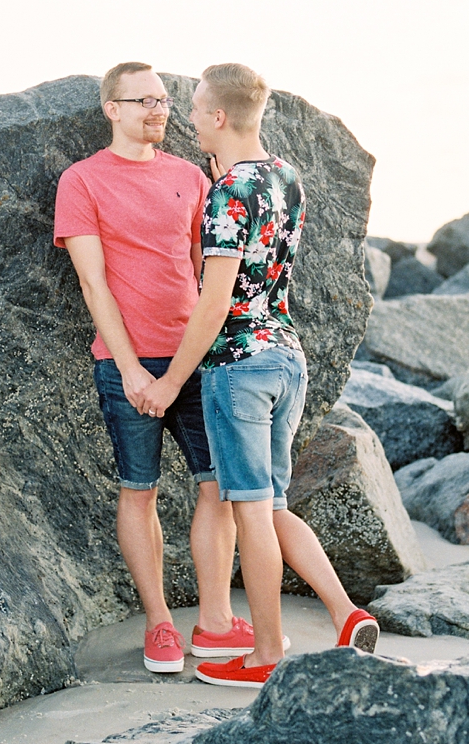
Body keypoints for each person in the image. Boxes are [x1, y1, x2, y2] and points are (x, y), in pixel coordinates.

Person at [138, 62, 379, 688]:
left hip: (238, 367)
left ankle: (268, 654)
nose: (188, 119)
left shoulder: (227, 193)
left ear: (218, 116)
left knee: (248, 511)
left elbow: (214, 302)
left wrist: (167, 385)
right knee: (270, 506)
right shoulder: (285, 177)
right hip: (286, 358)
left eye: (194, 109)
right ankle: (345, 612)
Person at [54, 62, 270, 673]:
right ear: (111, 109)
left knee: (218, 488)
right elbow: (93, 285)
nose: (159, 109)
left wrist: (195, 357)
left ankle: (214, 621)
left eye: (164, 99)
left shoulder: (191, 177)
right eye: (143, 99)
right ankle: (159, 625)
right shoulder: (82, 181)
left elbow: (209, 274)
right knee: (138, 489)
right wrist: (130, 370)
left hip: (197, 357)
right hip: (127, 361)